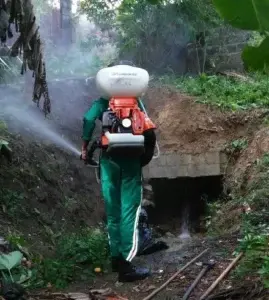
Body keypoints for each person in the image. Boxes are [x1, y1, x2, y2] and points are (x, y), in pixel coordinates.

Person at [81, 61, 155, 283]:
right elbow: (149, 130)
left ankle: (116, 258)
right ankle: (126, 266)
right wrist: (144, 157)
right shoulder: (135, 101)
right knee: (129, 212)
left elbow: (87, 119)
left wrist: (85, 146)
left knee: (112, 212)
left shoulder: (103, 101)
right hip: (131, 162)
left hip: (108, 161)